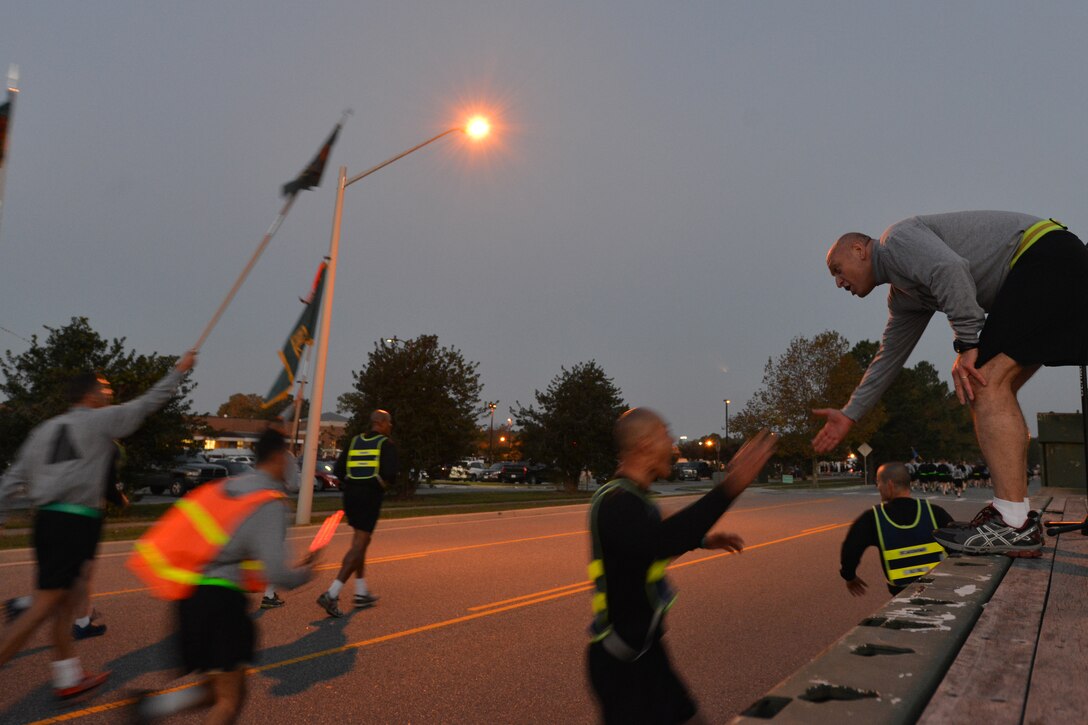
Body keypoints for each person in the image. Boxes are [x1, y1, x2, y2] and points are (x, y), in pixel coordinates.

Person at [814, 212, 1088, 555]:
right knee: (993, 387)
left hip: (1043, 256)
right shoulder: (903, 296)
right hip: (1046, 266)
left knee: (984, 384)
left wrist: (967, 344)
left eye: (837, 270)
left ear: (859, 249)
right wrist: (850, 413)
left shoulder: (896, 241)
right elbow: (889, 356)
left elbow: (950, 268)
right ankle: (1016, 518)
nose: (838, 283)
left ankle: (1013, 523)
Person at [0, 352, 196, 699]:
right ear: (90, 396)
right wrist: (178, 372)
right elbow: (148, 404)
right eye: (104, 388)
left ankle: (67, 677)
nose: (109, 394)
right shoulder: (99, 420)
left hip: (48, 521)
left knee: (65, 602)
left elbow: (12, 479)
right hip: (73, 521)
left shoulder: (44, 430)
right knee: (46, 604)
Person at [586, 408, 777, 724]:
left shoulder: (634, 498)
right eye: (665, 434)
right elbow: (656, 542)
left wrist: (701, 540)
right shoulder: (615, 502)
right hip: (621, 663)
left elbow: (650, 544)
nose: (673, 444)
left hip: (646, 652)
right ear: (646, 444)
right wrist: (730, 488)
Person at [133, 428, 315, 723]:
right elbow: (278, 572)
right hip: (222, 601)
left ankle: (153, 708)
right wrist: (308, 571)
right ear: (280, 458)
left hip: (191, 597)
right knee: (229, 700)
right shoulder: (268, 502)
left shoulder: (227, 487)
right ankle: (152, 708)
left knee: (220, 688)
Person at [316, 409, 398, 618]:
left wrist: (352, 482)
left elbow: (338, 469)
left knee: (361, 542)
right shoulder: (386, 444)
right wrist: (379, 484)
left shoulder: (354, 441)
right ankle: (332, 593)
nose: (391, 426)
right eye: (389, 423)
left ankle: (361, 592)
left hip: (351, 495)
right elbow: (391, 474)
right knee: (359, 544)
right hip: (369, 496)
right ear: (381, 422)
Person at [840, 462, 954, 597]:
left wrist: (849, 576)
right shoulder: (935, 512)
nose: (878, 487)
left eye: (879, 483)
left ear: (889, 485)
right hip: (939, 589)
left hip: (902, 594)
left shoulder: (873, 518)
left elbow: (851, 549)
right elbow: (958, 545)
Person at [261, 409, 302, 610]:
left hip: (254, 505)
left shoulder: (260, 455)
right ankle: (268, 593)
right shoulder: (286, 456)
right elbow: (294, 484)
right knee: (274, 550)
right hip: (276, 505)